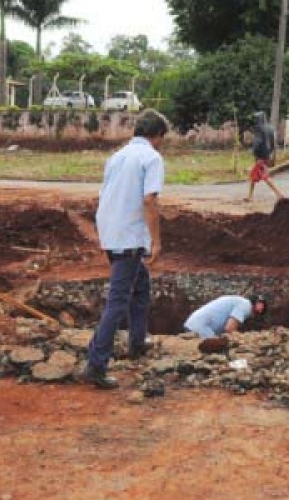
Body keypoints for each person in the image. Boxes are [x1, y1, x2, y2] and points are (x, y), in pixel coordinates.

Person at [83, 109, 170, 390]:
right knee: (118, 301)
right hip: (130, 237)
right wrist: (156, 242)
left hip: (111, 231)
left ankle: (137, 342)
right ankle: (96, 364)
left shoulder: (117, 156)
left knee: (140, 288)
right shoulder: (151, 158)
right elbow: (149, 201)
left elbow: (106, 195)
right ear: (157, 136)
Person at [184, 295, 267, 342]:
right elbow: (229, 329)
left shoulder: (239, 301)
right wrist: (241, 340)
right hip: (202, 328)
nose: (261, 308)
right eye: (261, 305)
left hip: (194, 324)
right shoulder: (246, 305)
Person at [244, 111, 285, 202]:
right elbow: (273, 143)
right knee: (253, 177)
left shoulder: (259, 129)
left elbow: (258, 142)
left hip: (261, 157)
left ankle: (279, 195)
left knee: (265, 178)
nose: (255, 121)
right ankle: (249, 196)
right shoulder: (271, 128)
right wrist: (271, 154)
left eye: (256, 119)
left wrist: (253, 150)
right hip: (267, 156)